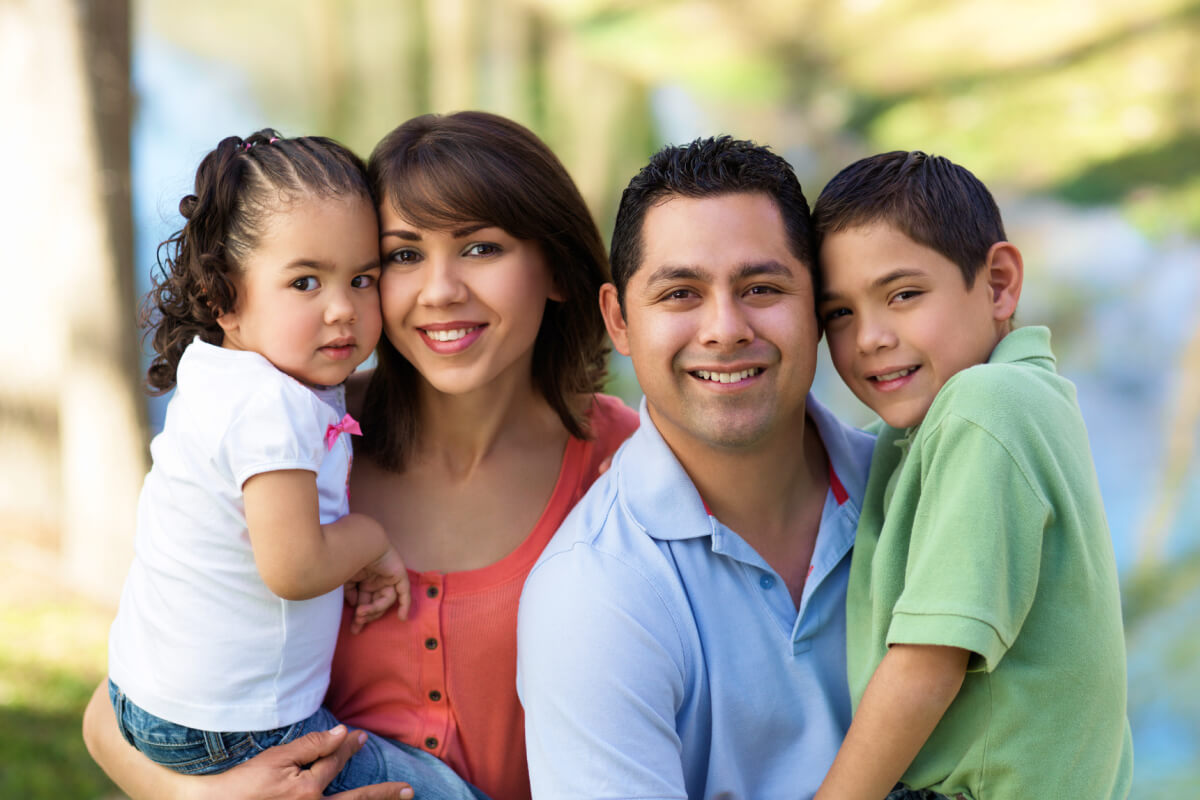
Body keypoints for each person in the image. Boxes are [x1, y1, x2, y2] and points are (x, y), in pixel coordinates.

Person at [82, 111, 639, 800]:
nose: (440, 291)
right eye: (403, 255)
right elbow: (112, 709)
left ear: (556, 267)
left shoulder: (628, 464)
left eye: (481, 248)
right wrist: (209, 798)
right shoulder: (298, 439)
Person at [103, 128, 486, 799]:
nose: (343, 310)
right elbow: (295, 567)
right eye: (305, 281)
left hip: (140, 694)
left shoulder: (223, 377)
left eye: (362, 279)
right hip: (231, 725)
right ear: (225, 299)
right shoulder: (268, 407)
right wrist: (371, 540)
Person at [516, 136, 876, 799]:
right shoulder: (594, 595)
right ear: (619, 321)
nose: (725, 328)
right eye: (681, 293)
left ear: (818, 307)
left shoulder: (911, 489)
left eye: (761, 287)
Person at [810, 150, 1133, 799]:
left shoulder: (986, 406)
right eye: (838, 314)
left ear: (998, 284)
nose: (869, 337)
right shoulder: (978, 416)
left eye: (903, 294)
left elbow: (927, 666)